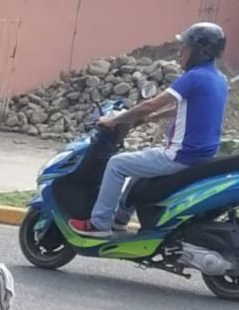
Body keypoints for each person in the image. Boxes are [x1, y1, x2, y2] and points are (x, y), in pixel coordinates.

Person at [70, 22, 228, 237]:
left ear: (201, 51)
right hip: (203, 154)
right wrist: (150, 119)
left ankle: (99, 225)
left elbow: (150, 104)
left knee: (116, 164)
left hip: (181, 156)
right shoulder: (218, 79)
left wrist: (115, 120)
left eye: (185, 47)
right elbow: (182, 109)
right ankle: (120, 220)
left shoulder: (193, 77)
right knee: (139, 164)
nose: (180, 52)